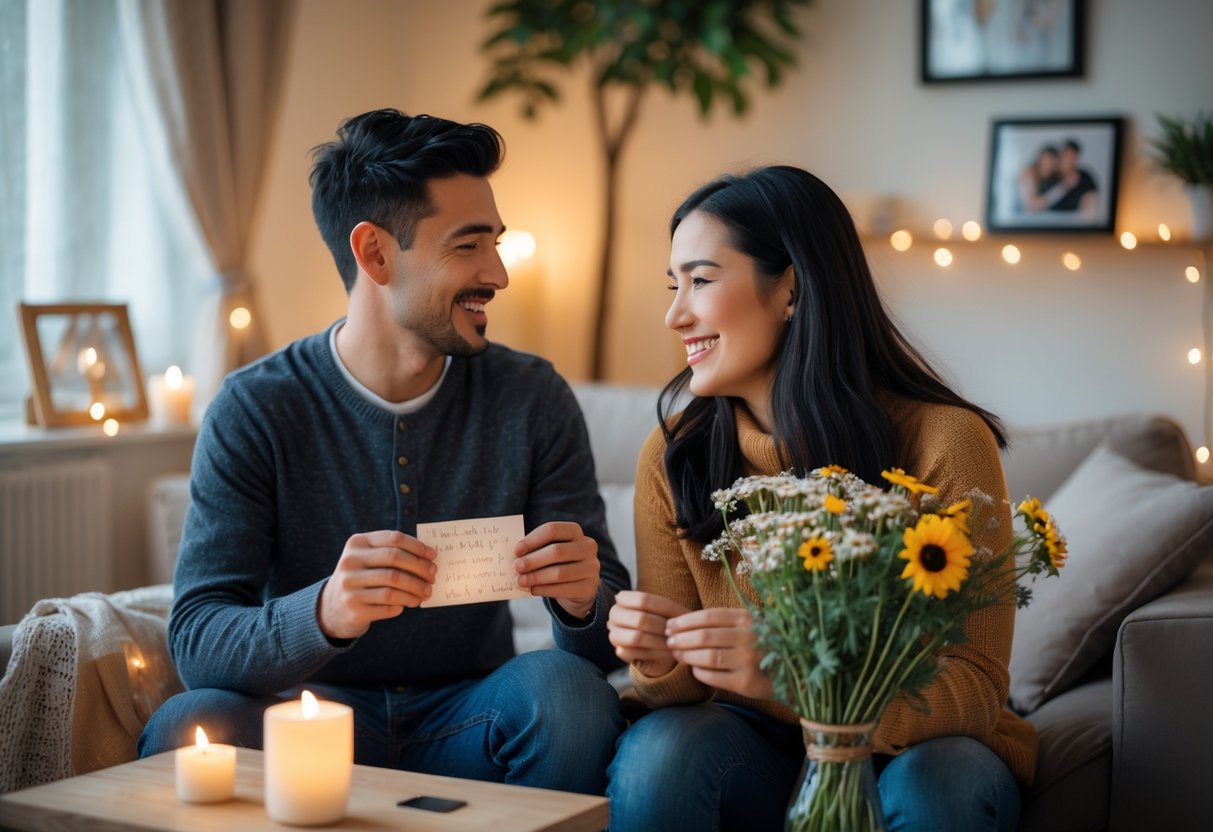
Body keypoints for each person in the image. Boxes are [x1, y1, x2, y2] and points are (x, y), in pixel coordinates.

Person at [138, 109, 629, 795]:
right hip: (309, 723)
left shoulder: (530, 396)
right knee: (185, 728)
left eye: (496, 242)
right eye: (467, 246)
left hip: (474, 716)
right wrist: (325, 610)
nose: (498, 273)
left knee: (568, 695)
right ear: (374, 254)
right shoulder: (256, 407)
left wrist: (583, 603)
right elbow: (197, 640)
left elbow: (605, 646)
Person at [606, 166, 1031, 830]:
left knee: (939, 786)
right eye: (673, 284)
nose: (674, 313)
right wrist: (657, 658)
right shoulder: (673, 457)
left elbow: (973, 687)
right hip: (752, 746)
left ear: (790, 289)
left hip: (912, 748)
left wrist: (791, 673)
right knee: (660, 755)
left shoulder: (943, 440)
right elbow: (677, 693)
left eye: (700, 279)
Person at [1043, 138, 1098, 216]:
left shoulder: (1085, 177)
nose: (1069, 161)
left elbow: (1089, 209)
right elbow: (1040, 204)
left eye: (1073, 157)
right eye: (1066, 156)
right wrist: (1064, 186)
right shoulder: (1049, 175)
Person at [1017, 144, 1060, 214]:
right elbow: (1031, 205)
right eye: (1048, 160)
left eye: (1053, 162)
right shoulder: (1027, 173)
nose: (1050, 165)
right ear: (1040, 159)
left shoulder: (1050, 178)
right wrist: (1063, 187)